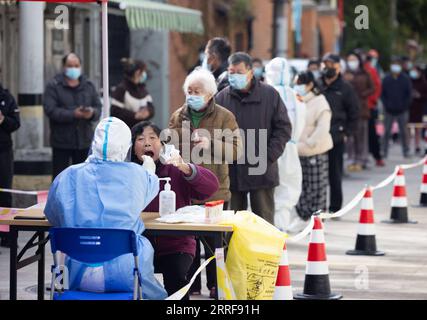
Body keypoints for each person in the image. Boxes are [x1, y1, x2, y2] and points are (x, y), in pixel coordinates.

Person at [44, 117, 167, 299]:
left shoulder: (67, 175)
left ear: (94, 143)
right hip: (128, 276)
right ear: (126, 146)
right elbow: (150, 187)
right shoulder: (137, 174)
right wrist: (148, 169)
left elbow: (53, 217)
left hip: (77, 275)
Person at [168, 68, 242, 298]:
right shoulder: (178, 115)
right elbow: (169, 146)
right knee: (187, 241)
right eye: (189, 91)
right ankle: (191, 284)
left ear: (209, 94)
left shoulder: (225, 116)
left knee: (215, 243)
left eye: (197, 91)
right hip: (185, 189)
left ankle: (215, 284)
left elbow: (236, 152)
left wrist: (211, 143)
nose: (192, 95)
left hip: (215, 189)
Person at [131, 121, 219, 300]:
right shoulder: (129, 173)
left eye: (153, 138)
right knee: (128, 280)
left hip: (176, 244)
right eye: (140, 139)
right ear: (132, 148)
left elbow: (211, 187)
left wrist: (185, 167)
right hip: (138, 244)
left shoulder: (175, 169)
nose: (147, 143)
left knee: (176, 279)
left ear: (162, 145)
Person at [215, 52, 292, 224]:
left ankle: (266, 252)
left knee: (263, 222)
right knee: (231, 224)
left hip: (262, 169)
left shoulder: (269, 95)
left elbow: (283, 128)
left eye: (239, 71)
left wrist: (268, 156)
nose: (233, 76)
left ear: (250, 72)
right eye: (231, 71)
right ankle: (233, 253)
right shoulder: (222, 97)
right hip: (232, 171)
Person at [43, 53, 102, 180]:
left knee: (83, 178)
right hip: (61, 142)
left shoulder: (88, 86)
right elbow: (50, 110)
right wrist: (73, 114)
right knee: (60, 178)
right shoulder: (54, 86)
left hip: (84, 141)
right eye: (70, 66)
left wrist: (91, 113)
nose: (73, 69)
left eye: (76, 65)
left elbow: (98, 107)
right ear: (64, 67)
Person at [265, 57, 306, 232]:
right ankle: (281, 226)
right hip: (290, 147)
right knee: (287, 189)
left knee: (268, 190)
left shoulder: (266, 93)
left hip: (269, 147)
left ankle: (270, 227)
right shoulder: (297, 96)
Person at [292, 71, 333, 231]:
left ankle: (316, 219)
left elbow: (323, 127)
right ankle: (303, 216)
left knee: (316, 186)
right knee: (300, 185)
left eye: (299, 83)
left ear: (309, 85)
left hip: (315, 150)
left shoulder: (320, 102)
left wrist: (310, 142)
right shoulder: (297, 100)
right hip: (297, 150)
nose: (297, 87)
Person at [320, 53, 359, 213]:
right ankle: (317, 207)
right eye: (325, 65)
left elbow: (354, 113)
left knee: (334, 174)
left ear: (338, 68)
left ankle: (335, 208)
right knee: (317, 175)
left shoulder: (346, 88)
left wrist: (346, 133)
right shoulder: (317, 85)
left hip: (336, 136)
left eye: (332, 65)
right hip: (317, 137)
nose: (328, 68)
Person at [344, 52, 375, 172]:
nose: (352, 62)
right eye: (350, 59)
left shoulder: (365, 73)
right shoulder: (345, 74)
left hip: (362, 108)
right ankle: (351, 159)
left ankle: (362, 159)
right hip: (348, 109)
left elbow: (372, 88)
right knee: (350, 136)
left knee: (362, 135)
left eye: (354, 59)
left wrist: (363, 95)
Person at [0, 82, 20, 247]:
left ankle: (6, 235)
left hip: (3, 151)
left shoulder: (7, 98)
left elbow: (15, 123)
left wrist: (2, 119)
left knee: (5, 192)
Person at [381, 57, 413, 158]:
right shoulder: (386, 78)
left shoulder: (405, 78)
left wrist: (405, 105)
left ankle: (406, 151)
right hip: (388, 110)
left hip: (402, 110)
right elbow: (382, 94)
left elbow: (409, 94)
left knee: (404, 132)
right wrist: (386, 105)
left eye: (397, 64)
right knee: (386, 132)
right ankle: (384, 151)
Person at [110, 58, 155, 128]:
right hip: (125, 130)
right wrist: (135, 115)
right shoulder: (121, 89)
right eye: (143, 71)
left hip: (142, 130)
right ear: (137, 72)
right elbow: (115, 111)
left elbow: (151, 108)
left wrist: (148, 112)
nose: (144, 74)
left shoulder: (143, 89)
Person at [365, 50, 385, 167]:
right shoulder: (369, 70)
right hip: (364, 106)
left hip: (369, 106)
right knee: (367, 134)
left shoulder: (373, 70)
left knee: (371, 133)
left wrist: (372, 100)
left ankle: (376, 156)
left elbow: (377, 87)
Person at [408, 66, 427, 155]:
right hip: (408, 108)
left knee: (418, 129)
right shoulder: (408, 81)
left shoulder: (423, 83)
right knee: (408, 128)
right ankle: (407, 146)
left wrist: (419, 96)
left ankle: (417, 146)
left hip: (419, 108)